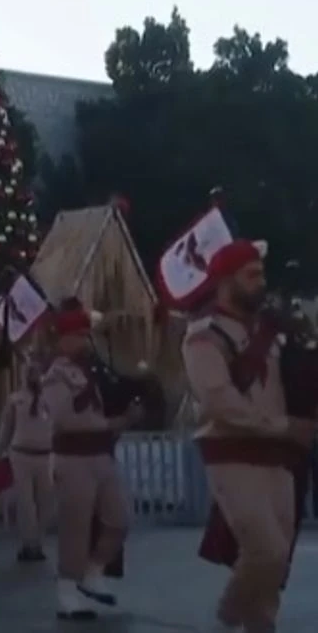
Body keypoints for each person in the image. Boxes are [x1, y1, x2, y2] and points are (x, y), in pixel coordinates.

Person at [186, 240, 313, 633]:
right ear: (225, 281)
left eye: (262, 273)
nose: (261, 282)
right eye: (251, 275)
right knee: (265, 550)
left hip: (279, 456)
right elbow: (219, 402)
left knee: (279, 561)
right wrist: (284, 426)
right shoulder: (204, 335)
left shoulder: (270, 331)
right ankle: (227, 616)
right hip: (232, 452)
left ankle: (262, 626)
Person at [40, 301, 137, 620]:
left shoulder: (94, 370)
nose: (85, 341)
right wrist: (114, 423)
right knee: (75, 527)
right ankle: (66, 590)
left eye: (86, 334)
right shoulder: (55, 375)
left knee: (119, 519)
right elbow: (65, 419)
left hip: (100, 454)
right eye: (78, 335)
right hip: (73, 457)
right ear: (63, 339)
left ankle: (93, 570)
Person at [0, 352, 54, 563]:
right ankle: (30, 545)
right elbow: (7, 429)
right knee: (26, 503)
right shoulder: (15, 400)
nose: (33, 376)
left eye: (36, 372)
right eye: (29, 372)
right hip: (21, 455)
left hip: (45, 456)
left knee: (45, 501)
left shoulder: (50, 400)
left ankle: (39, 540)